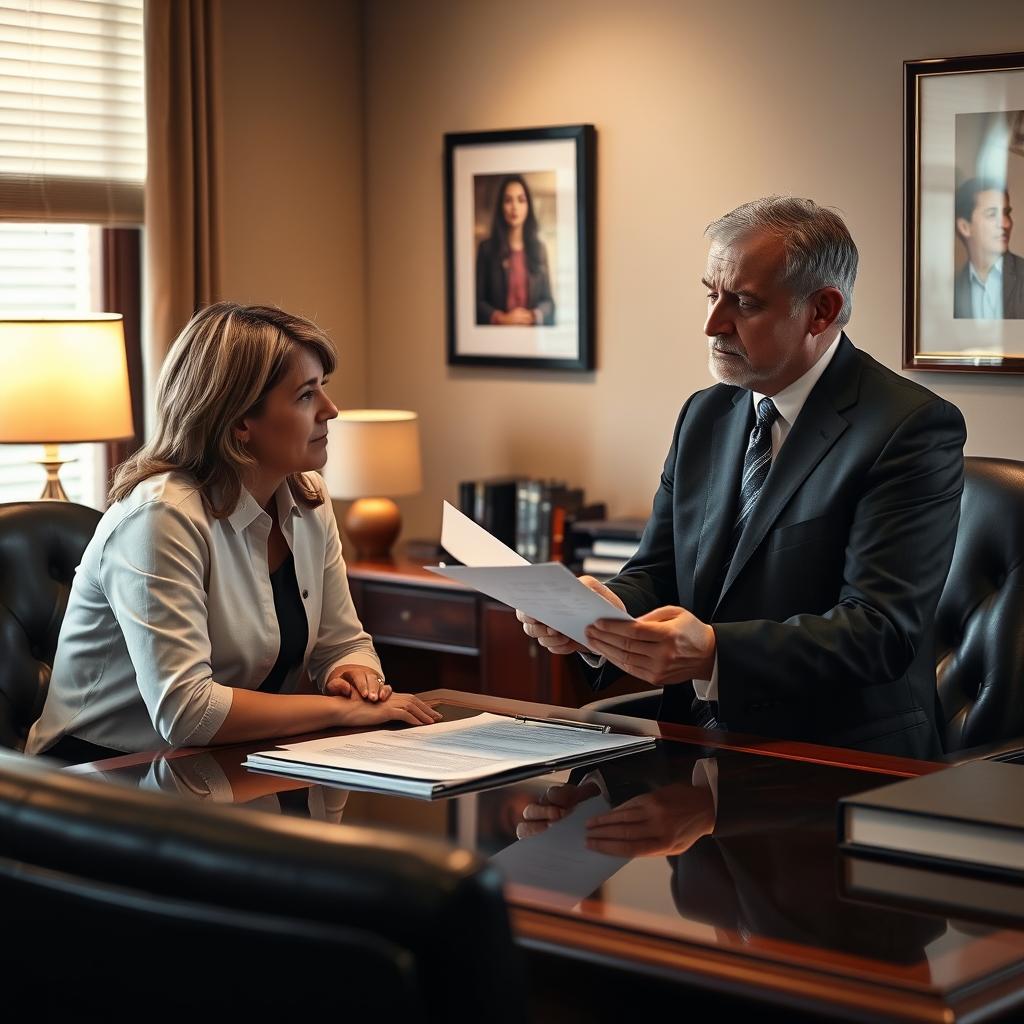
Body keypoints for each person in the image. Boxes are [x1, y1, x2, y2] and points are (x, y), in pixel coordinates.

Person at [519, 196, 966, 759]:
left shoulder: (910, 428)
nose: (712, 323)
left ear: (822, 311)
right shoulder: (706, 414)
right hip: (695, 747)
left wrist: (713, 652)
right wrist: (597, 614)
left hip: (840, 763)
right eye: (711, 293)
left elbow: (879, 632)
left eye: (744, 303)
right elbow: (658, 571)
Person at [27, 302, 440, 763]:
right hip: (100, 775)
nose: (331, 409)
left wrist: (355, 674)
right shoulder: (161, 517)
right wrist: (338, 712)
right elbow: (186, 711)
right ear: (241, 421)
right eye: (306, 395)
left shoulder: (308, 499)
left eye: (323, 388)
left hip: (218, 764)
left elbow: (342, 642)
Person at [476, 173, 555, 326]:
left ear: (528, 206)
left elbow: (549, 303)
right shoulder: (486, 250)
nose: (515, 207)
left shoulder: (539, 249)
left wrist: (534, 315)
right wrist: (500, 318)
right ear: (501, 206)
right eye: (508, 200)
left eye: (521, 200)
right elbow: (477, 303)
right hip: (496, 338)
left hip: (531, 339)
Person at [953, 177, 1024, 318]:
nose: (1006, 223)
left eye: (1006, 213)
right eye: (992, 214)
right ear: (965, 227)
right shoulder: (952, 291)